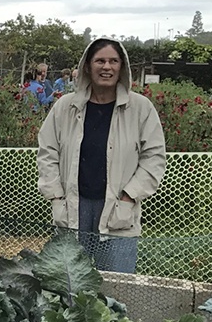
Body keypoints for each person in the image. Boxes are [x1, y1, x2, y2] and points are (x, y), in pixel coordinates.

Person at [38, 38, 166, 273]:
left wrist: (129, 197)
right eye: (100, 61)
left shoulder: (141, 109)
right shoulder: (66, 107)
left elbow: (154, 158)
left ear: (122, 67)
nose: (106, 67)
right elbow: (47, 152)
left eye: (113, 61)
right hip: (74, 207)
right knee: (69, 286)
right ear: (87, 66)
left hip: (118, 210)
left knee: (117, 289)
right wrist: (56, 197)